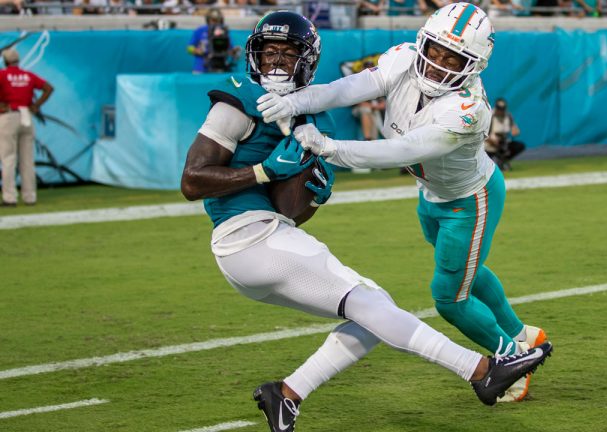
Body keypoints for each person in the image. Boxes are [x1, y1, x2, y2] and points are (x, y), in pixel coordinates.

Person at [180, 10, 552, 432]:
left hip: (460, 197)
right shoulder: (240, 100)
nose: (439, 64)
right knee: (383, 304)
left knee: (404, 304)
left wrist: (323, 160)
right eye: (269, 53)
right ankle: (486, 369)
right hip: (257, 239)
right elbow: (349, 88)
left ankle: (286, 395)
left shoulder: (468, 110)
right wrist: (283, 134)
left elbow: (400, 152)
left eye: (454, 58)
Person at [0, 47, 53, 207]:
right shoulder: (28, 75)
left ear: (5, 61)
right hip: (26, 116)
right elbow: (48, 88)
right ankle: (30, 197)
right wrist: (36, 105)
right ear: (18, 60)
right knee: (27, 160)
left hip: (9, 115)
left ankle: (10, 197)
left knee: (8, 159)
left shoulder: (2, 75)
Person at [186, 8, 240, 73]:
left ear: (221, 20)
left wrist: (234, 51)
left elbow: (230, 50)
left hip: (219, 68)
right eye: (213, 20)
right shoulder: (200, 30)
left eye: (217, 20)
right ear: (208, 20)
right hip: (201, 67)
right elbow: (189, 48)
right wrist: (197, 51)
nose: (215, 22)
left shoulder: (223, 31)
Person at [485, 98, 525, 170]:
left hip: (503, 144)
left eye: (502, 109)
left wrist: (515, 131)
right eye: (499, 109)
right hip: (489, 145)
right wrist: (491, 141)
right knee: (485, 164)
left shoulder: (508, 116)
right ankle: (494, 160)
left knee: (519, 146)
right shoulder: (489, 116)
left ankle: (504, 160)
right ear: (496, 108)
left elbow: (515, 130)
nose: (501, 111)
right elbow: (483, 134)